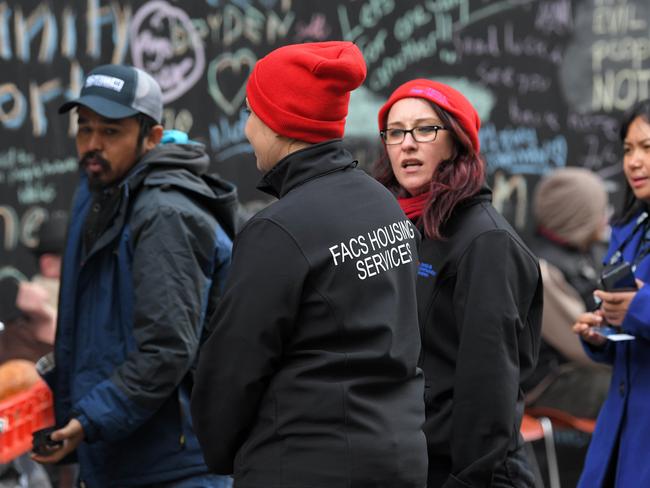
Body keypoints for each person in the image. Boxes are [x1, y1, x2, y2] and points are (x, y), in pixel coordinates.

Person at [190, 41, 427, 487]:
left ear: (280, 123)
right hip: (397, 455)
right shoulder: (385, 205)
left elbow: (234, 366)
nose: (245, 129)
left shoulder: (279, 229)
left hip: (306, 462)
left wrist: (222, 451)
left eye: (251, 113)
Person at [32, 64, 238, 488]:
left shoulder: (165, 214)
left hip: (175, 467)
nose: (92, 145)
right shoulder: (95, 192)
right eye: (84, 129)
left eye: (111, 132)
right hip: (115, 456)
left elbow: (166, 348)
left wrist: (88, 420)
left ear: (153, 138)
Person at [374, 79, 543, 487]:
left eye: (425, 129)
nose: (407, 144)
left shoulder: (486, 241)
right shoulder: (399, 228)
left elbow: (489, 386)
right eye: (395, 132)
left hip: (468, 473)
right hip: (410, 461)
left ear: (458, 141)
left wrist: (468, 480)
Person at [573, 99, 650, 487]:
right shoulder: (631, 228)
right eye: (627, 150)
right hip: (619, 427)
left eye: (647, 148)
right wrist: (603, 332)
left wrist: (640, 307)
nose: (634, 162)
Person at [524, 168, 611, 419]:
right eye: (599, 211)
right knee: (633, 392)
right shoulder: (543, 270)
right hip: (550, 381)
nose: (605, 219)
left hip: (579, 367)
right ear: (577, 216)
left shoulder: (585, 251)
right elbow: (582, 346)